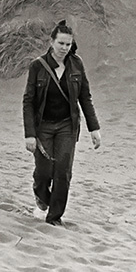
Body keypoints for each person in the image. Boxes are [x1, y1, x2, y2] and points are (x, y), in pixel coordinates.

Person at [23, 20, 102, 226]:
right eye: (61, 44)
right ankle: (41, 198)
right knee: (43, 173)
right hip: (43, 127)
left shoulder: (77, 64)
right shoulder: (37, 66)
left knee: (63, 173)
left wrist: (94, 128)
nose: (64, 49)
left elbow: (85, 97)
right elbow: (28, 102)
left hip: (67, 126)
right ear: (51, 42)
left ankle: (54, 218)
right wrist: (29, 134)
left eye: (68, 44)